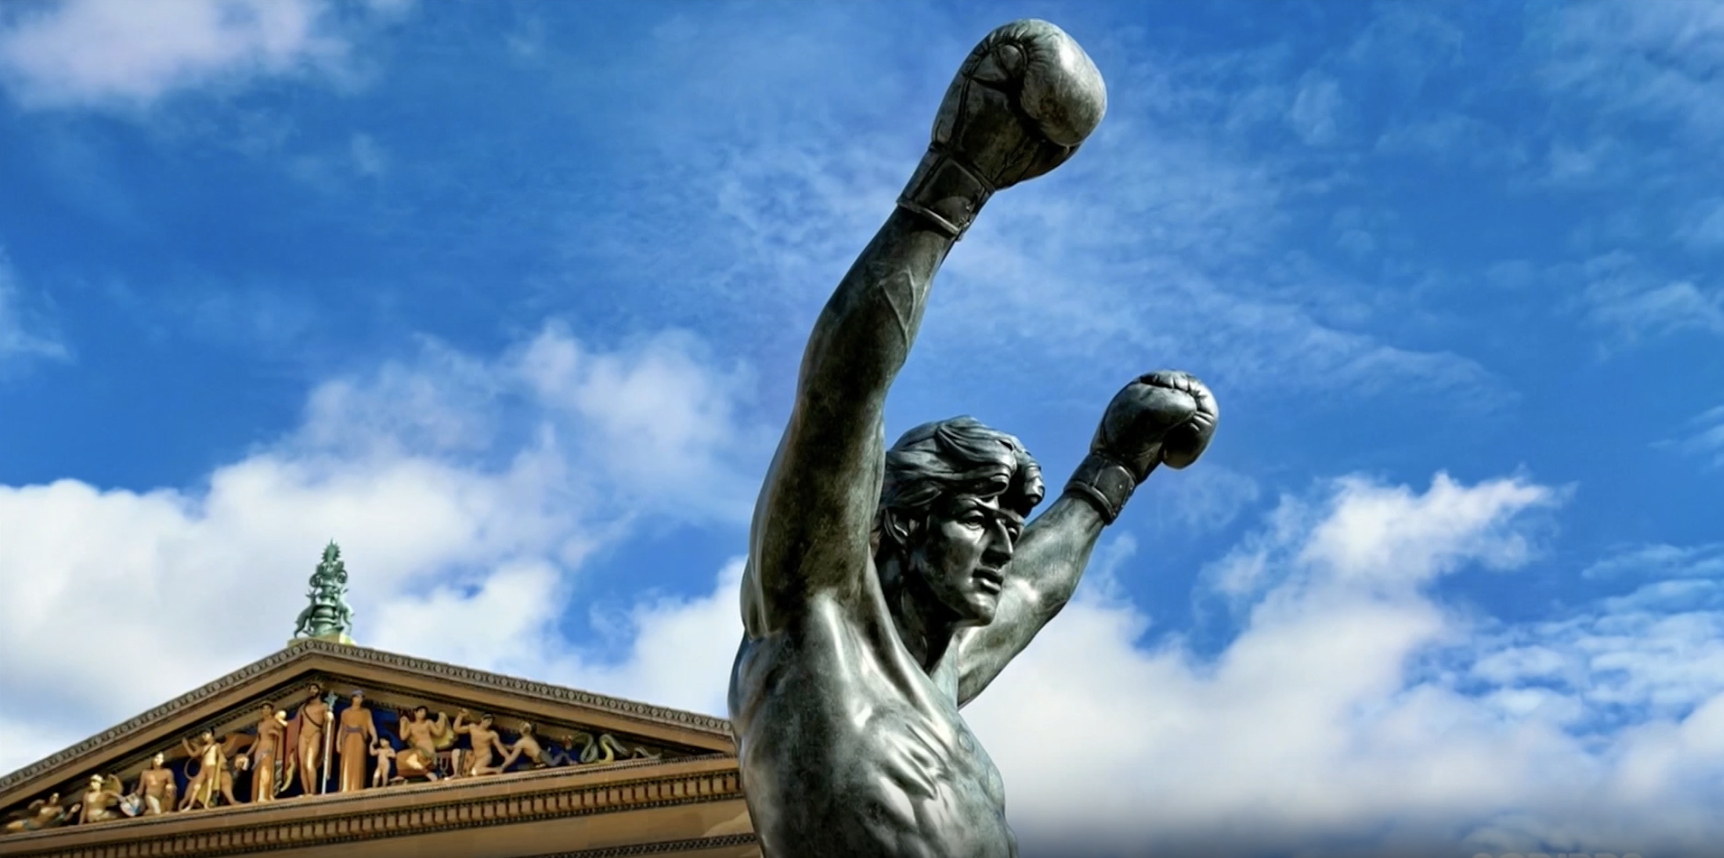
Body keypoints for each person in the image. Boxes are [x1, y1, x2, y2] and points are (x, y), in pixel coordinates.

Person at [725, 19, 1217, 858]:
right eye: (980, 515)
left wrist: (1113, 472)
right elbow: (840, 398)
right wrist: (958, 179)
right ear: (903, 523)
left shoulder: (942, 685)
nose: (1003, 543)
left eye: (1007, 522)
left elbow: (1033, 588)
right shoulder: (815, 622)